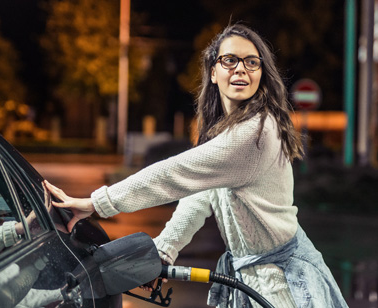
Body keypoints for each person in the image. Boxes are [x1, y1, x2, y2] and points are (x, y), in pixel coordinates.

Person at [45, 23, 348, 308]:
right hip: (253, 278)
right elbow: (201, 193)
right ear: (213, 72)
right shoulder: (230, 131)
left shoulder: (256, 133)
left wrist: (96, 203)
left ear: (262, 74)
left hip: (283, 285)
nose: (241, 68)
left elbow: (175, 174)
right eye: (230, 60)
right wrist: (165, 249)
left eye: (251, 62)